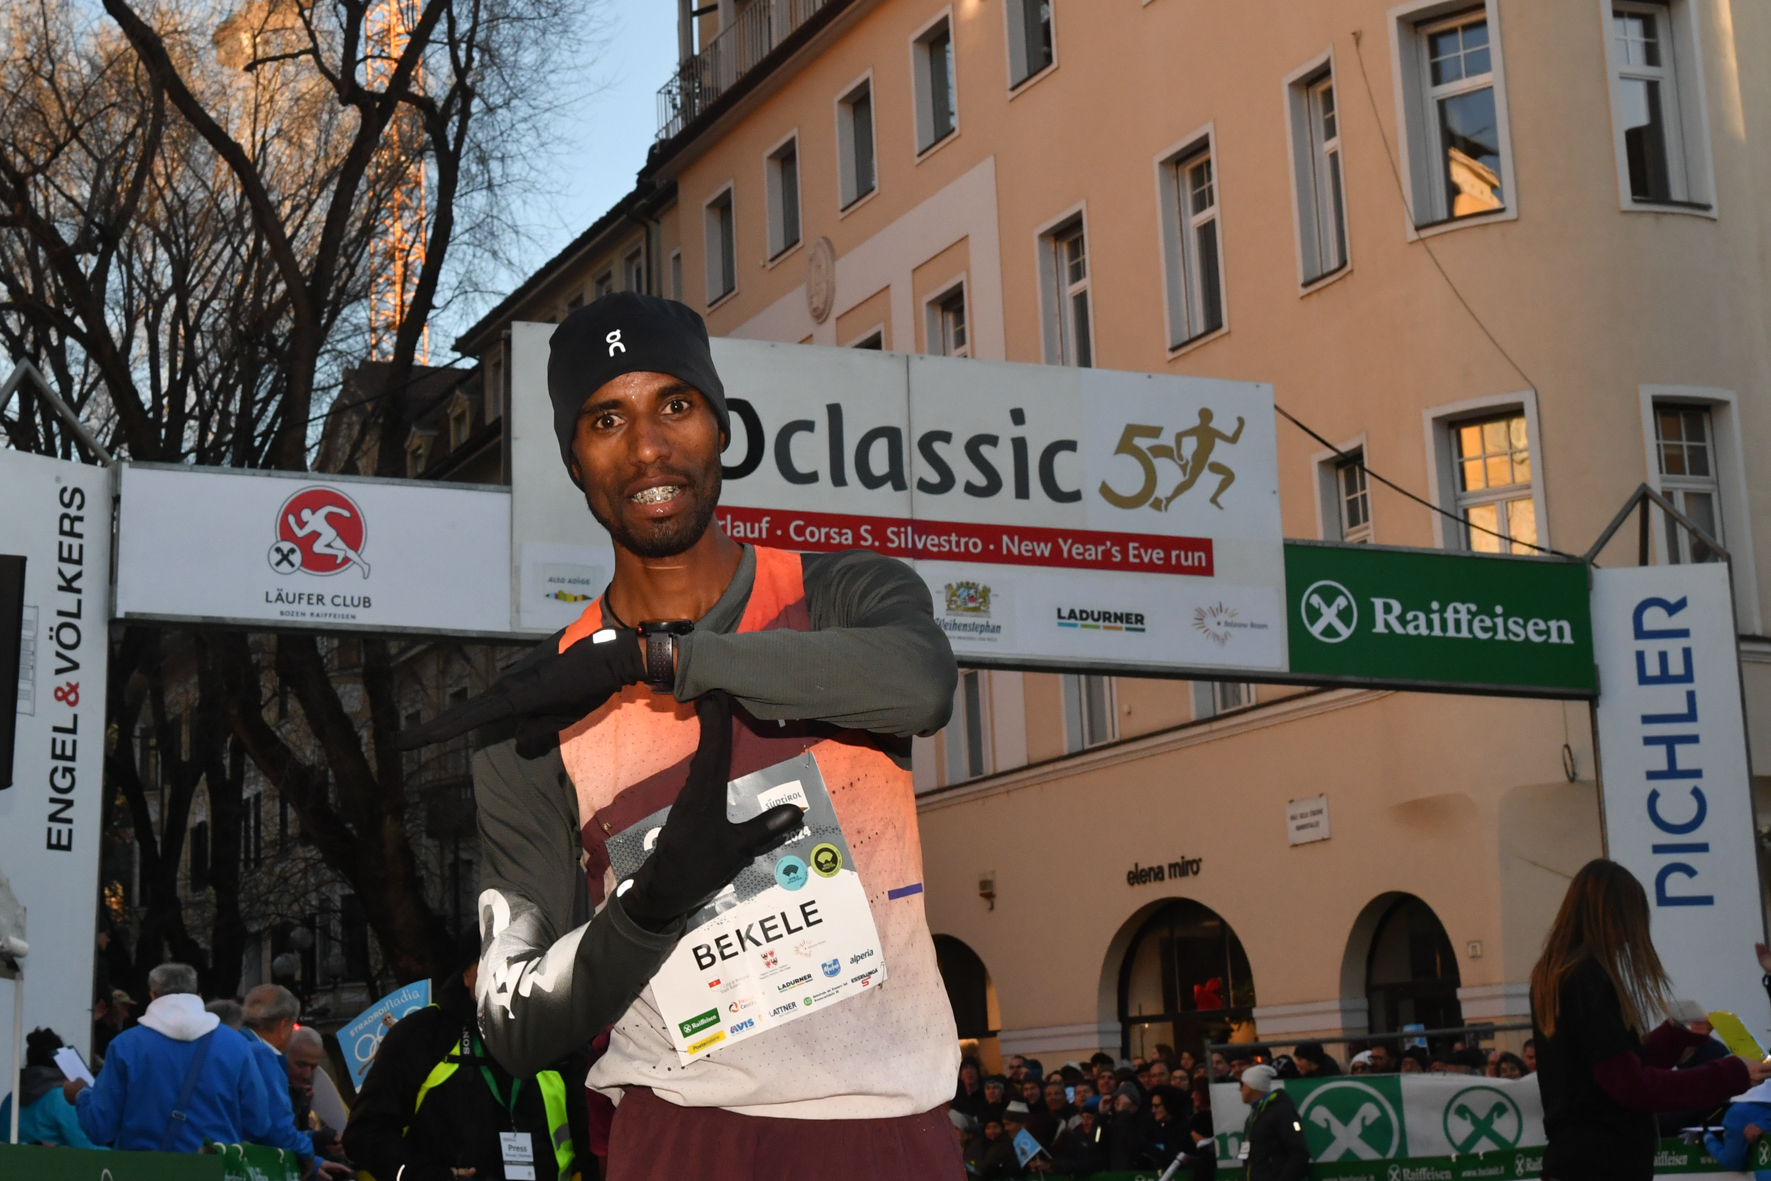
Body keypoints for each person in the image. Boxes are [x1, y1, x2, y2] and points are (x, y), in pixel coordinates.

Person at [398, 292, 960, 1179]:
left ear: (723, 425)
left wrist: (662, 662)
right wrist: (650, 906)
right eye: (606, 419)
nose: (648, 446)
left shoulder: (841, 594)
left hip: (882, 1123)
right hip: (677, 1133)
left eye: (675, 404)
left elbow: (922, 684)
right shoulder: (536, 712)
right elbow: (511, 1024)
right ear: (574, 461)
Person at [1531, 859, 1768, 1181]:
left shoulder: (1556, 975)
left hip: (1578, 1158)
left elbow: (1609, 1067)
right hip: (1601, 1165)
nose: (1634, 933)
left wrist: (1676, 1036)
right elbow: (1629, 1085)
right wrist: (1729, 1074)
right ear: (1614, 915)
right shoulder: (1586, 979)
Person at [344, 929, 590, 1181]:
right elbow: (365, 1133)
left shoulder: (562, 1042)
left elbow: (591, 1141)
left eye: (525, 966)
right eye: (497, 964)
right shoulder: (421, 1036)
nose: (510, 979)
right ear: (467, 974)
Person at [67, 962, 278, 1153]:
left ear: (152, 996)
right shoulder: (236, 1045)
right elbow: (258, 1124)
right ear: (198, 996)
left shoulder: (125, 1046)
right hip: (214, 1169)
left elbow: (100, 1128)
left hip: (141, 1172)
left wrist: (81, 1095)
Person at [239, 984, 334, 1176]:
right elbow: (275, 1128)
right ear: (283, 1026)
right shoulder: (263, 1055)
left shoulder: (233, 1042)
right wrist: (308, 1154)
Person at [0, 1028, 101, 1148]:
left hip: (11, 1165)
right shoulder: (62, 1098)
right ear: (61, 1061)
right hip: (52, 1165)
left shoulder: (11, 1098)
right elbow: (88, 1149)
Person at [1238, 1065, 1308, 1181]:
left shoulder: (1283, 1113)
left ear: (1252, 1086)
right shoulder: (1254, 1116)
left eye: (1243, 1085)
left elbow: (1299, 1152)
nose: (1241, 1089)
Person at [1704, 1080, 1771, 1181]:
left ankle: (1706, 1136)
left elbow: (1732, 1162)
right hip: (1744, 1104)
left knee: (1731, 1161)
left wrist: (1706, 1137)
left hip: (1741, 1106)